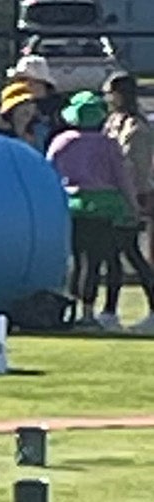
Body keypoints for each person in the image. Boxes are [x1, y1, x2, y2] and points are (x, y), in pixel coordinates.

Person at [47, 92, 154, 329]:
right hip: (104, 208)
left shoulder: (62, 141)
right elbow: (122, 178)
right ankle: (88, 312)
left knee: (76, 259)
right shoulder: (108, 144)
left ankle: (71, 309)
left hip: (72, 206)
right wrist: (133, 206)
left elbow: (47, 171)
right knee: (95, 262)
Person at [104, 72, 154, 268]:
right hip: (115, 192)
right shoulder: (113, 120)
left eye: (110, 93)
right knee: (117, 251)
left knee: (128, 249)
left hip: (134, 193)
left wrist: (134, 197)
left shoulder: (135, 125)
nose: (107, 98)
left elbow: (135, 163)